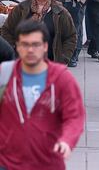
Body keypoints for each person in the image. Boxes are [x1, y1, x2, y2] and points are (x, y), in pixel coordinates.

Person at [0, 20, 85, 169]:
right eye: (25, 44)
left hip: (48, 162)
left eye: (36, 45)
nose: (30, 50)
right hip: (8, 162)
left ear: (45, 46)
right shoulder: (5, 74)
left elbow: (74, 116)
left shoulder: (61, 78)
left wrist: (67, 140)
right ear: (17, 47)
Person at [1, 0, 76, 65]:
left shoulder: (61, 13)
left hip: (50, 65)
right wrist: (14, 50)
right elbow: (6, 30)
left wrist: (63, 59)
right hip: (22, 63)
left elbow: (70, 37)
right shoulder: (21, 9)